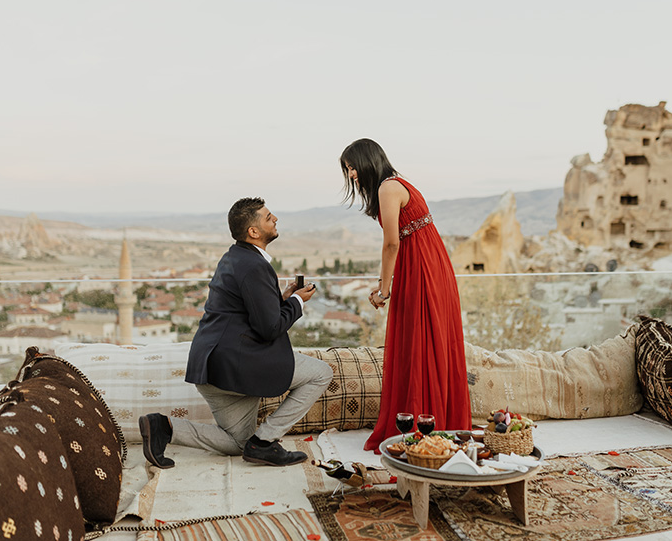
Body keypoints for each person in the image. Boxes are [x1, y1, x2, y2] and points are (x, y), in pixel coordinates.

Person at [139, 197, 333, 467]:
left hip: (209, 367)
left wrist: (282, 299)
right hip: (236, 364)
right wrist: (298, 301)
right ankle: (265, 442)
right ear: (253, 231)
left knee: (239, 443)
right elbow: (269, 328)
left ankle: (165, 427)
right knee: (321, 373)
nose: (275, 218)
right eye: (268, 217)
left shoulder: (233, 257)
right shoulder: (255, 266)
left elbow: (245, 311)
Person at [340, 139, 471, 452]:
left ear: (368, 161)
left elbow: (391, 243)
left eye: (353, 167)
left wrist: (383, 290)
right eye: (348, 170)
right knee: (424, 341)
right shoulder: (398, 184)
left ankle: (422, 424)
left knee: (418, 342)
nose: (352, 175)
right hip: (428, 264)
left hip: (422, 268)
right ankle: (433, 419)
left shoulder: (388, 188)